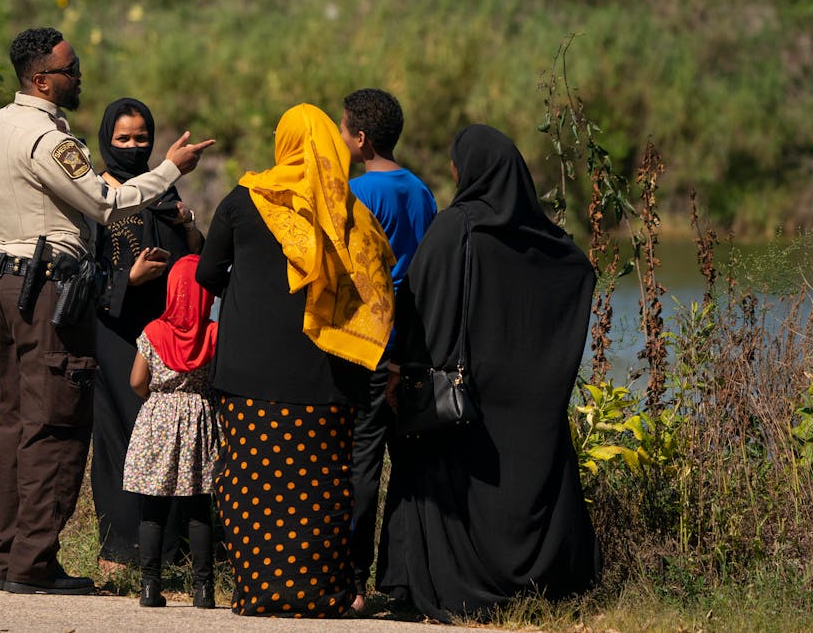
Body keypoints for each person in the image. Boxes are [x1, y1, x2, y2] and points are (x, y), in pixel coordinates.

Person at [0, 27, 213, 596]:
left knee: (14, 424)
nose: (78, 76)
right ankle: (32, 564)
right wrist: (171, 167)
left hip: (0, 286)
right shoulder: (44, 138)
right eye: (70, 69)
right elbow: (107, 202)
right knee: (55, 424)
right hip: (46, 289)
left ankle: (6, 560)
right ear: (41, 80)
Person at [378, 124, 601, 621]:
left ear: (471, 169)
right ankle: (541, 589)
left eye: (457, 164)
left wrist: (402, 368)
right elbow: (579, 273)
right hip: (525, 402)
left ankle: (446, 586)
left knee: (430, 466)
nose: (455, 172)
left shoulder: (456, 228)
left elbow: (418, 307)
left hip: (465, 399)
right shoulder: (541, 237)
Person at [195, 103, 394, 618]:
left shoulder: (245, 200)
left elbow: (208, 273)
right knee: (319, 489)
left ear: (283, 143)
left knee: (251, 485)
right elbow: (377, 287)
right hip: (325, 372)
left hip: (248, 371)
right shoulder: (347, 211)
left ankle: (257, 592)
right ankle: (322, 594)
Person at [91, 97, 204, 570]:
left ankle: (174, 552)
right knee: (120, 436)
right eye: (124, 139)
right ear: (106, 140)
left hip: (165, 336)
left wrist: (189, 224)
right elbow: (82, 272)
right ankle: (120, 550)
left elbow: (197, 257)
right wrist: (127, 280)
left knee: (174, 435)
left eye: (141, 139)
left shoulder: (164, 196)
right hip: (116, 331)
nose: (133, 147)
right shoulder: (94, 195)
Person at [336, 88, 437, 610]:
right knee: (411, 466)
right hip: (416, 342)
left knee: (361, 463)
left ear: (360, 137)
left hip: (373, 345)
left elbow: (372, 282)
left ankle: (353, 581)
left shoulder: (359, 195)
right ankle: (407, 580)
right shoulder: (423, 193)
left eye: (344, 127)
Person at [123, 254, 220, 610]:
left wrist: (155, 399)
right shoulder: (213, 333)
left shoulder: (153, 332)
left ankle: (149, 587)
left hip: (158, 418)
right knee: (198, 508)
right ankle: (204, 590)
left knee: (153, 507)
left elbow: (136, 381)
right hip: (199, 418)